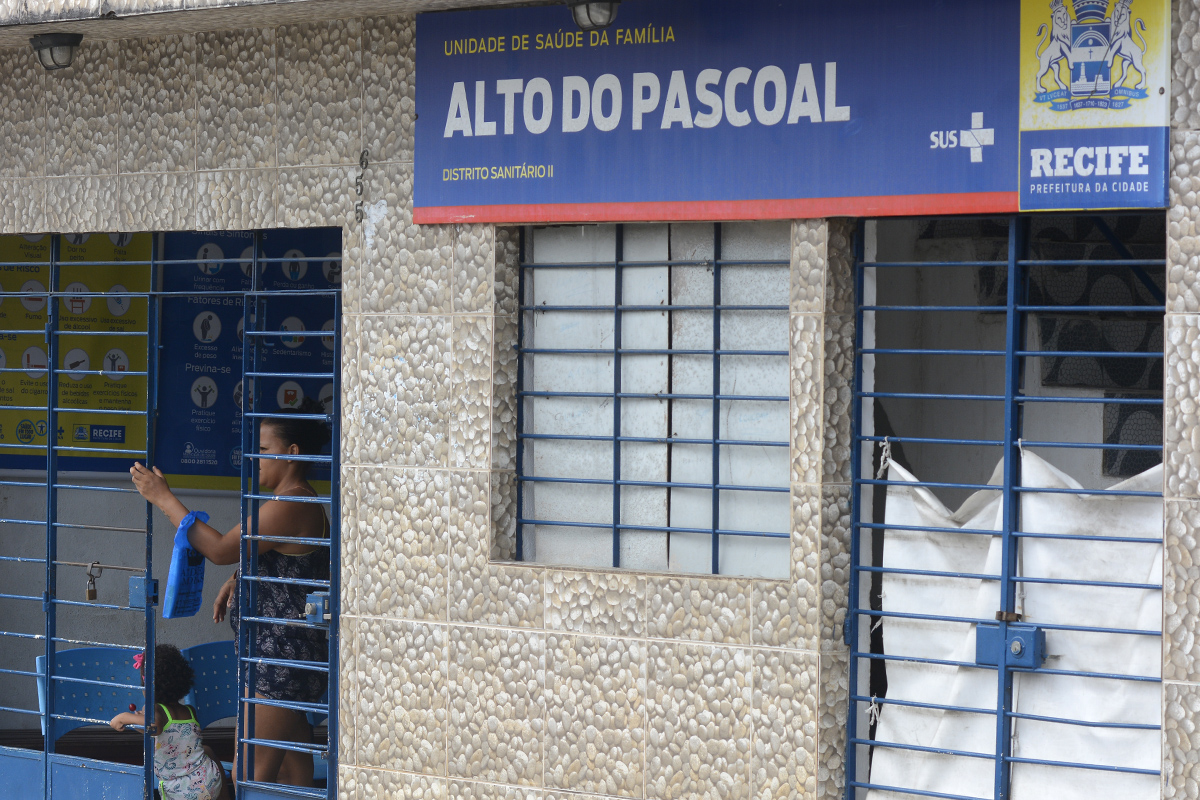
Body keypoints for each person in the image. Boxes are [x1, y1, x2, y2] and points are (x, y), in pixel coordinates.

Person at [129, 401, 331, 787]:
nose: (255, 456)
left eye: (265, 449)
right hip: (278, 659)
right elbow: (282, 562)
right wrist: (240, 580)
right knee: (291, 774)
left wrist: (164, 498)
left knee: (248, 777)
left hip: (279, 666)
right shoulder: (294, 501)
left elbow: (221, 549)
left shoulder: (291, 503)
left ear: (292, 454)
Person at [109, 645, 228, 800]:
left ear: (147, 685)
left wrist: (124, 717)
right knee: (207, 750)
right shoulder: (189, 710)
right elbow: (172, 734)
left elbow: (155, 727)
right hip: (210, 780)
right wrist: (143, 718)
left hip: (183, 791)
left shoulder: (156, 712)